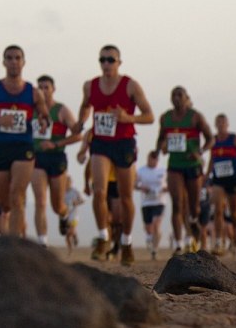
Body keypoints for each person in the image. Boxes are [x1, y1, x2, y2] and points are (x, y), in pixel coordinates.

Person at [76, 45, 155, 265]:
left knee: (126, 196)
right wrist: (81, 121)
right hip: (101, 142)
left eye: (111, 59)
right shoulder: (90, 86)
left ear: (119, 62)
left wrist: (127, 118)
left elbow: (149, 116)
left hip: (124, 143)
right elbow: (85, 107)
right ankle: (103, 237)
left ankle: (127, 242)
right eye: (102, 59)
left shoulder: (130, 85)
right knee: (99, 191)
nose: (106, 64)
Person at [0, 46, 48, 239]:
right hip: (0, 148)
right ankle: (12, 231)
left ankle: (14, 245)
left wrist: (42, 120)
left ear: (23, 62)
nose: (14, 61)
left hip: (23, 148)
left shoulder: (33, 92)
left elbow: (45, 115)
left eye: (17, 58)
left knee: (17, 196)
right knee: (4, 202)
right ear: (3, 62)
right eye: (9, 58)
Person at [156, 86, 213, 255]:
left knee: (194, 207)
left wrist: (200, 151)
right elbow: (161, 138)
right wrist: (158, 150)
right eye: (173, 95)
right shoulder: (165, 118)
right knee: (177, 204)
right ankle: (179, 244)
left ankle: (194, 222)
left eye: (180, 95)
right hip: (175, 166)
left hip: (193, 165)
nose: (176, 98)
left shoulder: (195, 117)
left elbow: (211, 139)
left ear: (187, 98)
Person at [30, 75, 80, 248]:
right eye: (40, 87)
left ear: (53, 89)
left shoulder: (61, 110)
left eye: (46, 87)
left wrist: (56, 143)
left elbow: (77, 135)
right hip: (36, 158)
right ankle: (42, 243)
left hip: (57, 157)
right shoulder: (32, 110)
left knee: (57, 205)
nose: (43, 91)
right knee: (40, 202)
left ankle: (65, 214)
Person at [204, 113, 236, 255]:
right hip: (218, 180)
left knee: (234, 211)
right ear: (215, 124)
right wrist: (206, 178)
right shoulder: (213, 141)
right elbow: (211, 160)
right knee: (218, 210)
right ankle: (219, 242)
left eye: (223, 122)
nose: (220, 125)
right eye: (218, 122)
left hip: (233, 179)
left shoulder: (235, 140)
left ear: (227, 124)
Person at [135, 150, 167, 259]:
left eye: (154, 159)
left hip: (159, 201)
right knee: (148, 227)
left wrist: (163, 189)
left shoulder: (163, 171)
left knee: (156, 224)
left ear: (157, 160)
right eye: (150, 158)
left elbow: (169, 185)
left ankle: (155, 249)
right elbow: (134, 184)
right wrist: (141, 188)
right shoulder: (141, 171)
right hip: (146, 202)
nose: (152, 161)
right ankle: (149, 237)